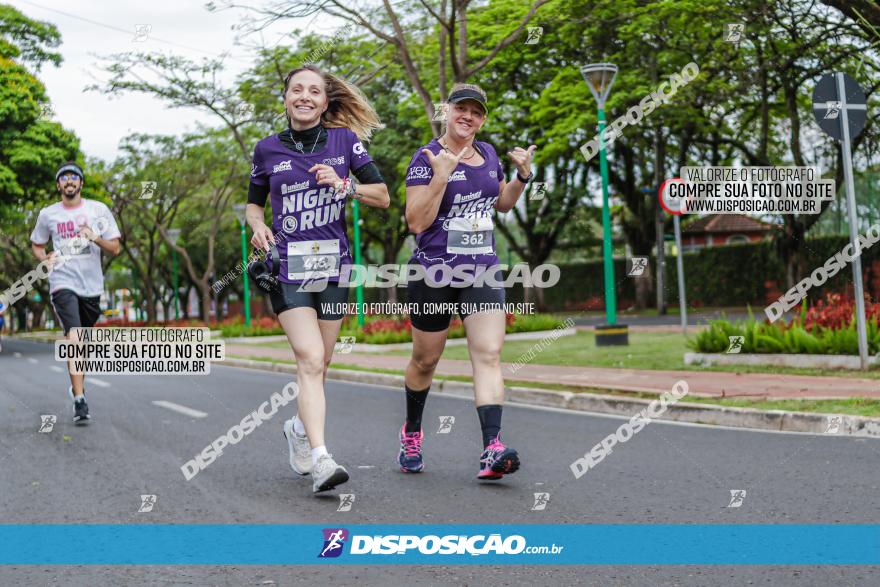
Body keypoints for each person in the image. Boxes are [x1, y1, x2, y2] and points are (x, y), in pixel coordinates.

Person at [246, 65, 390, 493]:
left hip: (333, 268)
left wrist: (346, 186)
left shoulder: (346, 142)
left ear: (325, 103)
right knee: (309, 359)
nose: (304, 96)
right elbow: (254, 206)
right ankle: (322, 458)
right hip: (287, 268)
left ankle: (296, 428)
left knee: (320, 364)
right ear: (286, 98)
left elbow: (381, 196)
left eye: (314, 91)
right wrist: (257, 226)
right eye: (296, 90)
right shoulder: (266, 149)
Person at [399, 83, 536, 480]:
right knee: (425, 360)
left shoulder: (489, 154)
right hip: (434, 271)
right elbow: (416, 221)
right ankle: (411, 432)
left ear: (483, 119)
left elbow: (502, 203)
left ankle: (492, 449)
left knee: (489, 353)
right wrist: (441, 177)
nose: (468, 117)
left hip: (482, 269)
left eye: (476, 112)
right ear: (448, 111)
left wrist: (522, 176)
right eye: (461, 108)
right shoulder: (426, 158)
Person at [30, 162, 121, 423]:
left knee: (83, 343)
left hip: (92, 286)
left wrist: (94, 237)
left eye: (74, 177)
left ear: (80, 183)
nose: (69, 181)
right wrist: (43, 258)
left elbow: (114, 248)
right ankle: (80, 399)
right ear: (58, 185)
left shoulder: (98, 210)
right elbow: (37, 245)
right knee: (74, 338)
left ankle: (76, 384)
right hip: (62, 281)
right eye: (64, 178)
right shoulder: (48, 214)